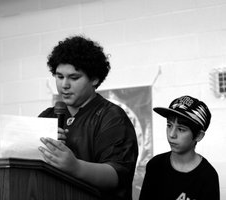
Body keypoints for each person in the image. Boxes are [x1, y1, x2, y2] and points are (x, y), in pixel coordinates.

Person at [38, 35, 138, 200]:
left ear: (94, 78)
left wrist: (75, 166)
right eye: (59, 76)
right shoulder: (47, 117)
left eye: (74, 77)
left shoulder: (112, 117)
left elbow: (117, 175)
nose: (64, 85)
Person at [139, 95, 220, 200]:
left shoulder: (207, 176)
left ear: (199, 135)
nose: (172, 134)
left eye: (181, 129)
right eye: (169, 125)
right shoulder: (155, 165)